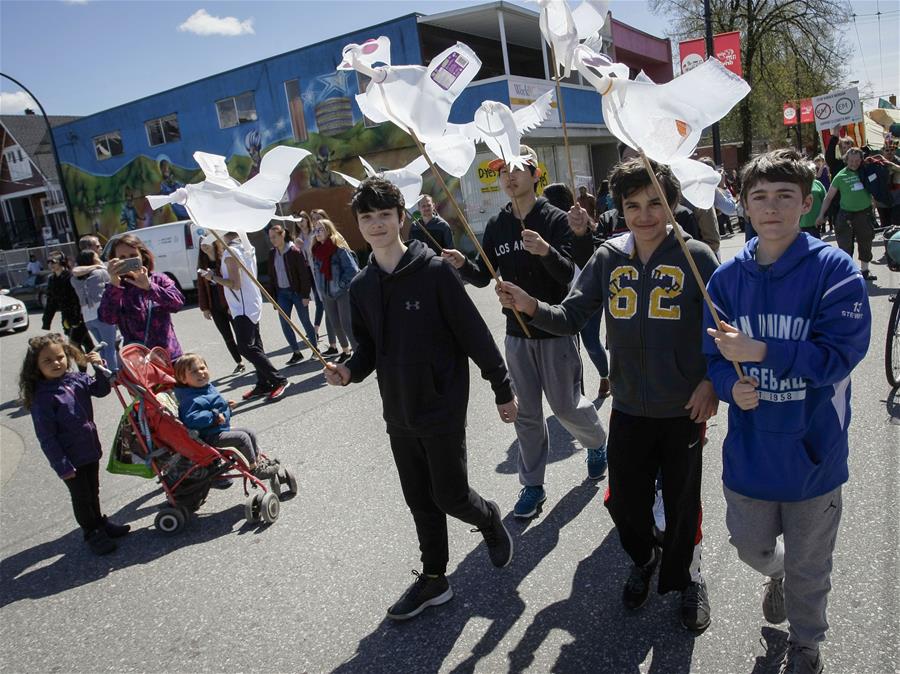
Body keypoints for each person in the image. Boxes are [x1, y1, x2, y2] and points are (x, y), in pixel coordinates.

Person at [498, 157, 718, 632]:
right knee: (624, 503)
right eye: (633, 204)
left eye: (656, 203)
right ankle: (643, 559)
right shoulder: (607, 257)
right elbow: (570, 316)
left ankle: (689, 577)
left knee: (683, 506)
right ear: (619, 209)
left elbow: (721, 328)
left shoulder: (696, 255)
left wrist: (710, 381)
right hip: (630, 408)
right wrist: (529, 304)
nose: (645, 215)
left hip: (683, 408)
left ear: (673, 204)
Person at [703, 149, 871, 674]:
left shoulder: (836, 271)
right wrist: (732, 385)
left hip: (813, 452)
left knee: (810, 564)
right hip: (750, 454)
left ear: (805, 202)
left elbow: (840, 356)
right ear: (746, 207)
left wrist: (762, 352)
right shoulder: (726, 280)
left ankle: (806, 644)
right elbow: (711, 357)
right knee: (749, 548)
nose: (771, 207)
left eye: (784, 197)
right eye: (760, 198)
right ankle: (773, 575)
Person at [324, 177, 517, 620]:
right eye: (367, 217)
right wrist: (348, 370)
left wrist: (502, 388)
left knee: (449, 495)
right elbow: (368, 349)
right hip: (398, 409)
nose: (376, 224)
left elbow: (474, 334)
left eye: (384, 216)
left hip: (442, 403)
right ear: (357, 224)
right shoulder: (361, 286)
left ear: (401, 219)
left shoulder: (434, 273)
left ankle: (488, 518)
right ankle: (434, 578)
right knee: (419, 498)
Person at [442, 144, 608, 518]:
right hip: (516, 336)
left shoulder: (556, 218)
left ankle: (597, 442)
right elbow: (485, 276)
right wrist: (462, 264)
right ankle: (532, 486)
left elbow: (572, 276)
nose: (509, 176)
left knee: (566, 406)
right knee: (527, 415)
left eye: (518, 169)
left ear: (536, 175)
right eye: (502, 171)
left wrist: (547, 251)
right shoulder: (498, 224)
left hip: (554, 330)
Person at [19, 333, 130, 555]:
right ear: (36, 366)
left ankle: (99, 522)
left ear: (67, 356)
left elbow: (101, 390)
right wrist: (62, 465)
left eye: (59, 357)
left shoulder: (74, 379)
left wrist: (98, 367)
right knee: (81, 496)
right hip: (70, 458)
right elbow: (47, 437)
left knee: (93, 491)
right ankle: (91, 532)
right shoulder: (42, 398)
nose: (56, 363)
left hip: (89, 448)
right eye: (47, 361)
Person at [200, 231, 288, 401]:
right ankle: (263, 383)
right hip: (250, 302)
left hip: (242, 307)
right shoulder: (246, 247)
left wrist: (213, 277)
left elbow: (235, 283)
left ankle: (278, 380)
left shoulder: (230, 252)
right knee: (256, 345)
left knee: (246, 347)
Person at [543, 182, 610, 397]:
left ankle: (605, 376)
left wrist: (584, 235)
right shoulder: (548, 229)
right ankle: (576, 393)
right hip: (562, 297)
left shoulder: (583, 225)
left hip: (588, 295)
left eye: (546, 201)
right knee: (571, 349)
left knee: (590, 342)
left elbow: (597, 253)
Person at [173, 353, 280, 478]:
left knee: (249, 432)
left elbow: (215, 405)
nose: (200, 373)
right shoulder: (189, 399)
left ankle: (258, 461)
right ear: (183, 379)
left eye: (202, 368)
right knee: (242, 438)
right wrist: (214, 416)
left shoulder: (206, 387)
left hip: (218, 428)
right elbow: (192, 419)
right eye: (194, 372)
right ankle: (254, 468)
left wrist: (226, 406)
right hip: (209, 435)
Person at [99, 233, 185, 359]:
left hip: (169, 356)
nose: (127, 260)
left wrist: (149, 287)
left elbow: (178, 304)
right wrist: (114, 284)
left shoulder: (158, 279)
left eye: (133, 256)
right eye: (122, 257)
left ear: (142, 257)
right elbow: (107, 318)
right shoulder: (115, 286)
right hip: (138, 362)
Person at [814, 147, 878, 280]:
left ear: (861, 160)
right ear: (846, 160)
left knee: (866, 241)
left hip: (864, 214)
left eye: (857, 160)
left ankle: (865, 270)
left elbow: (876, 188)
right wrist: (821, 215)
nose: (854, 163)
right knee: (845, 245)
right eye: (851, 160)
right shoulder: (840, 176)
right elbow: (829, 197)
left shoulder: (866, 172)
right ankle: (849, 272)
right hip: (846, 215)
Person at [266, 222, 316, 365]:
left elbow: (304, 275)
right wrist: (273, 297)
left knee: (305, 321)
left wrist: (306, 295)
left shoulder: (294, 251)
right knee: (285, 323)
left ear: (282, 235)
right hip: (282, 294)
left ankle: (315, 350)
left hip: (297, 293)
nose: (272, 240)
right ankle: (296, 352)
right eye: (270, 238)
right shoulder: (272, 254)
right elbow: (271, 276)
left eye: (274, 237)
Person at [311, 218, 359, 363]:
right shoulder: (316, 251)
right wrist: (320, 291)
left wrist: (341, 285)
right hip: (326, 295)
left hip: (341, 292)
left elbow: (353, 270)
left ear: (328, 230)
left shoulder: (339, 249)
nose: (316, 232)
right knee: (334, 323)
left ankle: (358, 352)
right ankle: (345, 351)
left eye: (320, 229)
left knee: (346, 324)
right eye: (315, 230)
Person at [197, 236, 244, 375]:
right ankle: (239, 362)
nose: (204, 246)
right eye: (201, 245)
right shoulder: (202, 263)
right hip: (214, 305)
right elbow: (201, 287)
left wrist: (232, 304)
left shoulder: (223, 258)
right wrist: (205, 308)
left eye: (206, 243)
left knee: (240, 333)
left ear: (213, 243)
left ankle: (252, 358)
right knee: (226, 335)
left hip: (228, 303)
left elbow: (231, 281)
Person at [70, 250, 119, 373]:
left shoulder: (75, 280)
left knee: (102, 346)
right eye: (97, 257)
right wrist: (98, 264)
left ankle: (105, 370)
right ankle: (113, 372)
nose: (99, 258)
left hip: (88, 318)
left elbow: (75, 271)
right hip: (103, 314)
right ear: (92, 260)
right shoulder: (101, 272)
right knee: (110, 346)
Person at [293, 210, 334, 354]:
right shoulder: (297, 237)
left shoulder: (313, 234)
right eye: (297, 220)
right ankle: (326, 336)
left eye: (302, 219)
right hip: (308, 272)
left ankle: (317, 330)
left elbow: (315, 251)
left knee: (321, 302)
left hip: (319, 270)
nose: (300, 222)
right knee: (318, 301)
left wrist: (303, 245)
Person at [42, 253, 94, 354]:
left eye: (53, 262)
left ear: (62, 262)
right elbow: (51, 302)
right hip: (66, 318)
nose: (50, 264)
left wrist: (77, 317)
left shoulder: (70, 277)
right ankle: (99, 368)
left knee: (74, 346)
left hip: (79, 317)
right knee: (87, 344)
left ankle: (85, 369)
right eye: (48, 262)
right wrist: (46, 321)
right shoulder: (52, 280)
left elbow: (78, 298)